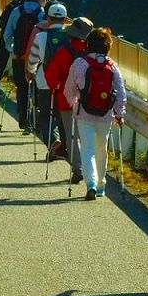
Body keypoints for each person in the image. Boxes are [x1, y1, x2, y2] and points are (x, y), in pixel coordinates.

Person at [63, 27, 126, 200]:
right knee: (101, 149)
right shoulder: (112, 67)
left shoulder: (79, 63)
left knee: (88, 149)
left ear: (88, 44)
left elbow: (69, 89)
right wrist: (119, 114)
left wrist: (73, 103)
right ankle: (101, 185)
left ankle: (90, 182)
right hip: (105, 115)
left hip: (84, 113)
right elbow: (121, 93)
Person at [45, 16, 92, 184]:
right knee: (89, 137)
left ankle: (78, 169)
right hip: (90, 102)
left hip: (67, 101)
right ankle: (93, 172)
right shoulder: (92, 53)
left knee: (72, 136)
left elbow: (51, 76)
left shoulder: (64, 52)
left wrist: (56, 88)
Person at [4, 0, 51, 132]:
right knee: (37, 90)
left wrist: (13, 51)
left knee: (22, 88)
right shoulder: (43, 14)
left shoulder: (16, 11)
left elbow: (7, 35)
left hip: (18, 57)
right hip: (37, 60)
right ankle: (36, 122)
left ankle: (23, 120)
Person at [26, 2, 69, 150]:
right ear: (65, 20)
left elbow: (32, 60)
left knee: (45, 115)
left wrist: (30, 72)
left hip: (45, 83)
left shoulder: (41, 36)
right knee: (63, 116)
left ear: (48, 19)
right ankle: (65, 149)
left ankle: (52, 142)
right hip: (65, 84)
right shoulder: (71, 37)